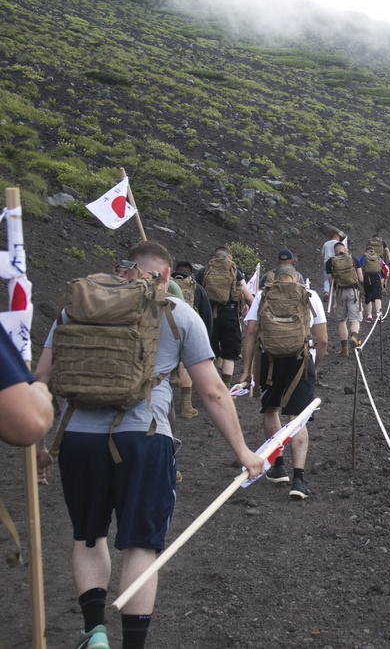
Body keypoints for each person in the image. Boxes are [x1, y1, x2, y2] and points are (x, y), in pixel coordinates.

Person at [34, 240, 264, 649]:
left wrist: (37, 442)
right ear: (163, 276)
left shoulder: (77, 307)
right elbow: (213, 393)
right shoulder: (178, 313)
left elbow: (42, 381)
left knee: (88, 536)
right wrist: (243, 452)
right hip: (144, 438)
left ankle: (95, 633)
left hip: (77, 439)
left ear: (125, 269)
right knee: (141, 543)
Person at [239, 264, 327, 499]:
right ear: (297, 278)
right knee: (298, 419)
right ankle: (298, 480)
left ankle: (278, 466)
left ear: (274, 279)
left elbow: (250, 333)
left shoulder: (262, 295)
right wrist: (315, 367)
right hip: (301, 360)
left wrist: (246, 370)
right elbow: (323, 339)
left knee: (271, 410)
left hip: (270, 361)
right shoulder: (310, 295)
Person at [194, 247, 253, 389]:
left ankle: (212, 387)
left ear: (214, 257)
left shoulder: (203, 271)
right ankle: (226, 388)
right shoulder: (234, 271)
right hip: (230, 315)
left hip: (208, 317)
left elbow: (195, 296)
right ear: (230, 258)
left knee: (210, 354)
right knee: (229, 355)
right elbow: (248, 297)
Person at [172, 261, 213, 419]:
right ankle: (186, 405)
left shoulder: (164, 285)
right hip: (187, 330)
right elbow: (206, 316)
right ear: (191, 273)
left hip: (164, 331)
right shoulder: (196, 287)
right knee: (185, 364)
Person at [0, 331, 53, 446]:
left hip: (72, 426)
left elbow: (41, 374)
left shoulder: (66, 316)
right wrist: (41, 389)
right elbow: (30, 424)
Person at [324, 241, 363, 357]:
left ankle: (344, 349)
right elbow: (360, 278)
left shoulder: (330, 262)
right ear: (345, 249)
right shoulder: (353, 259)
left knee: (342, 321)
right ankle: (354, 336)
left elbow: (331, 282)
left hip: (339, 293)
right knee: (355, 319)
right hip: (354, 292)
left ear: (334, 251)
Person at [359, 244, 384, 323]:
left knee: (368, 296)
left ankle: (369, 316)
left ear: (366, 251)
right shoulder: (377, 257)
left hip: (367, 278)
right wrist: (384, 279)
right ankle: (379, 314)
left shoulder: (363, 258)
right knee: (377, 296)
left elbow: (357, 267)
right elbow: (385, 268)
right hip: (376, 277)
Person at [320, 228, 347, 297]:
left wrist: (323, 262)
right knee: (337, 277)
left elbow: (322, 254)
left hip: (327, 262)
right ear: (338, 239)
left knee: (326, 278)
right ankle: (336, 291)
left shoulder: (326, 243)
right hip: (337, 262)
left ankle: (326, 291)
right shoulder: (339, 244)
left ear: (332, 238)